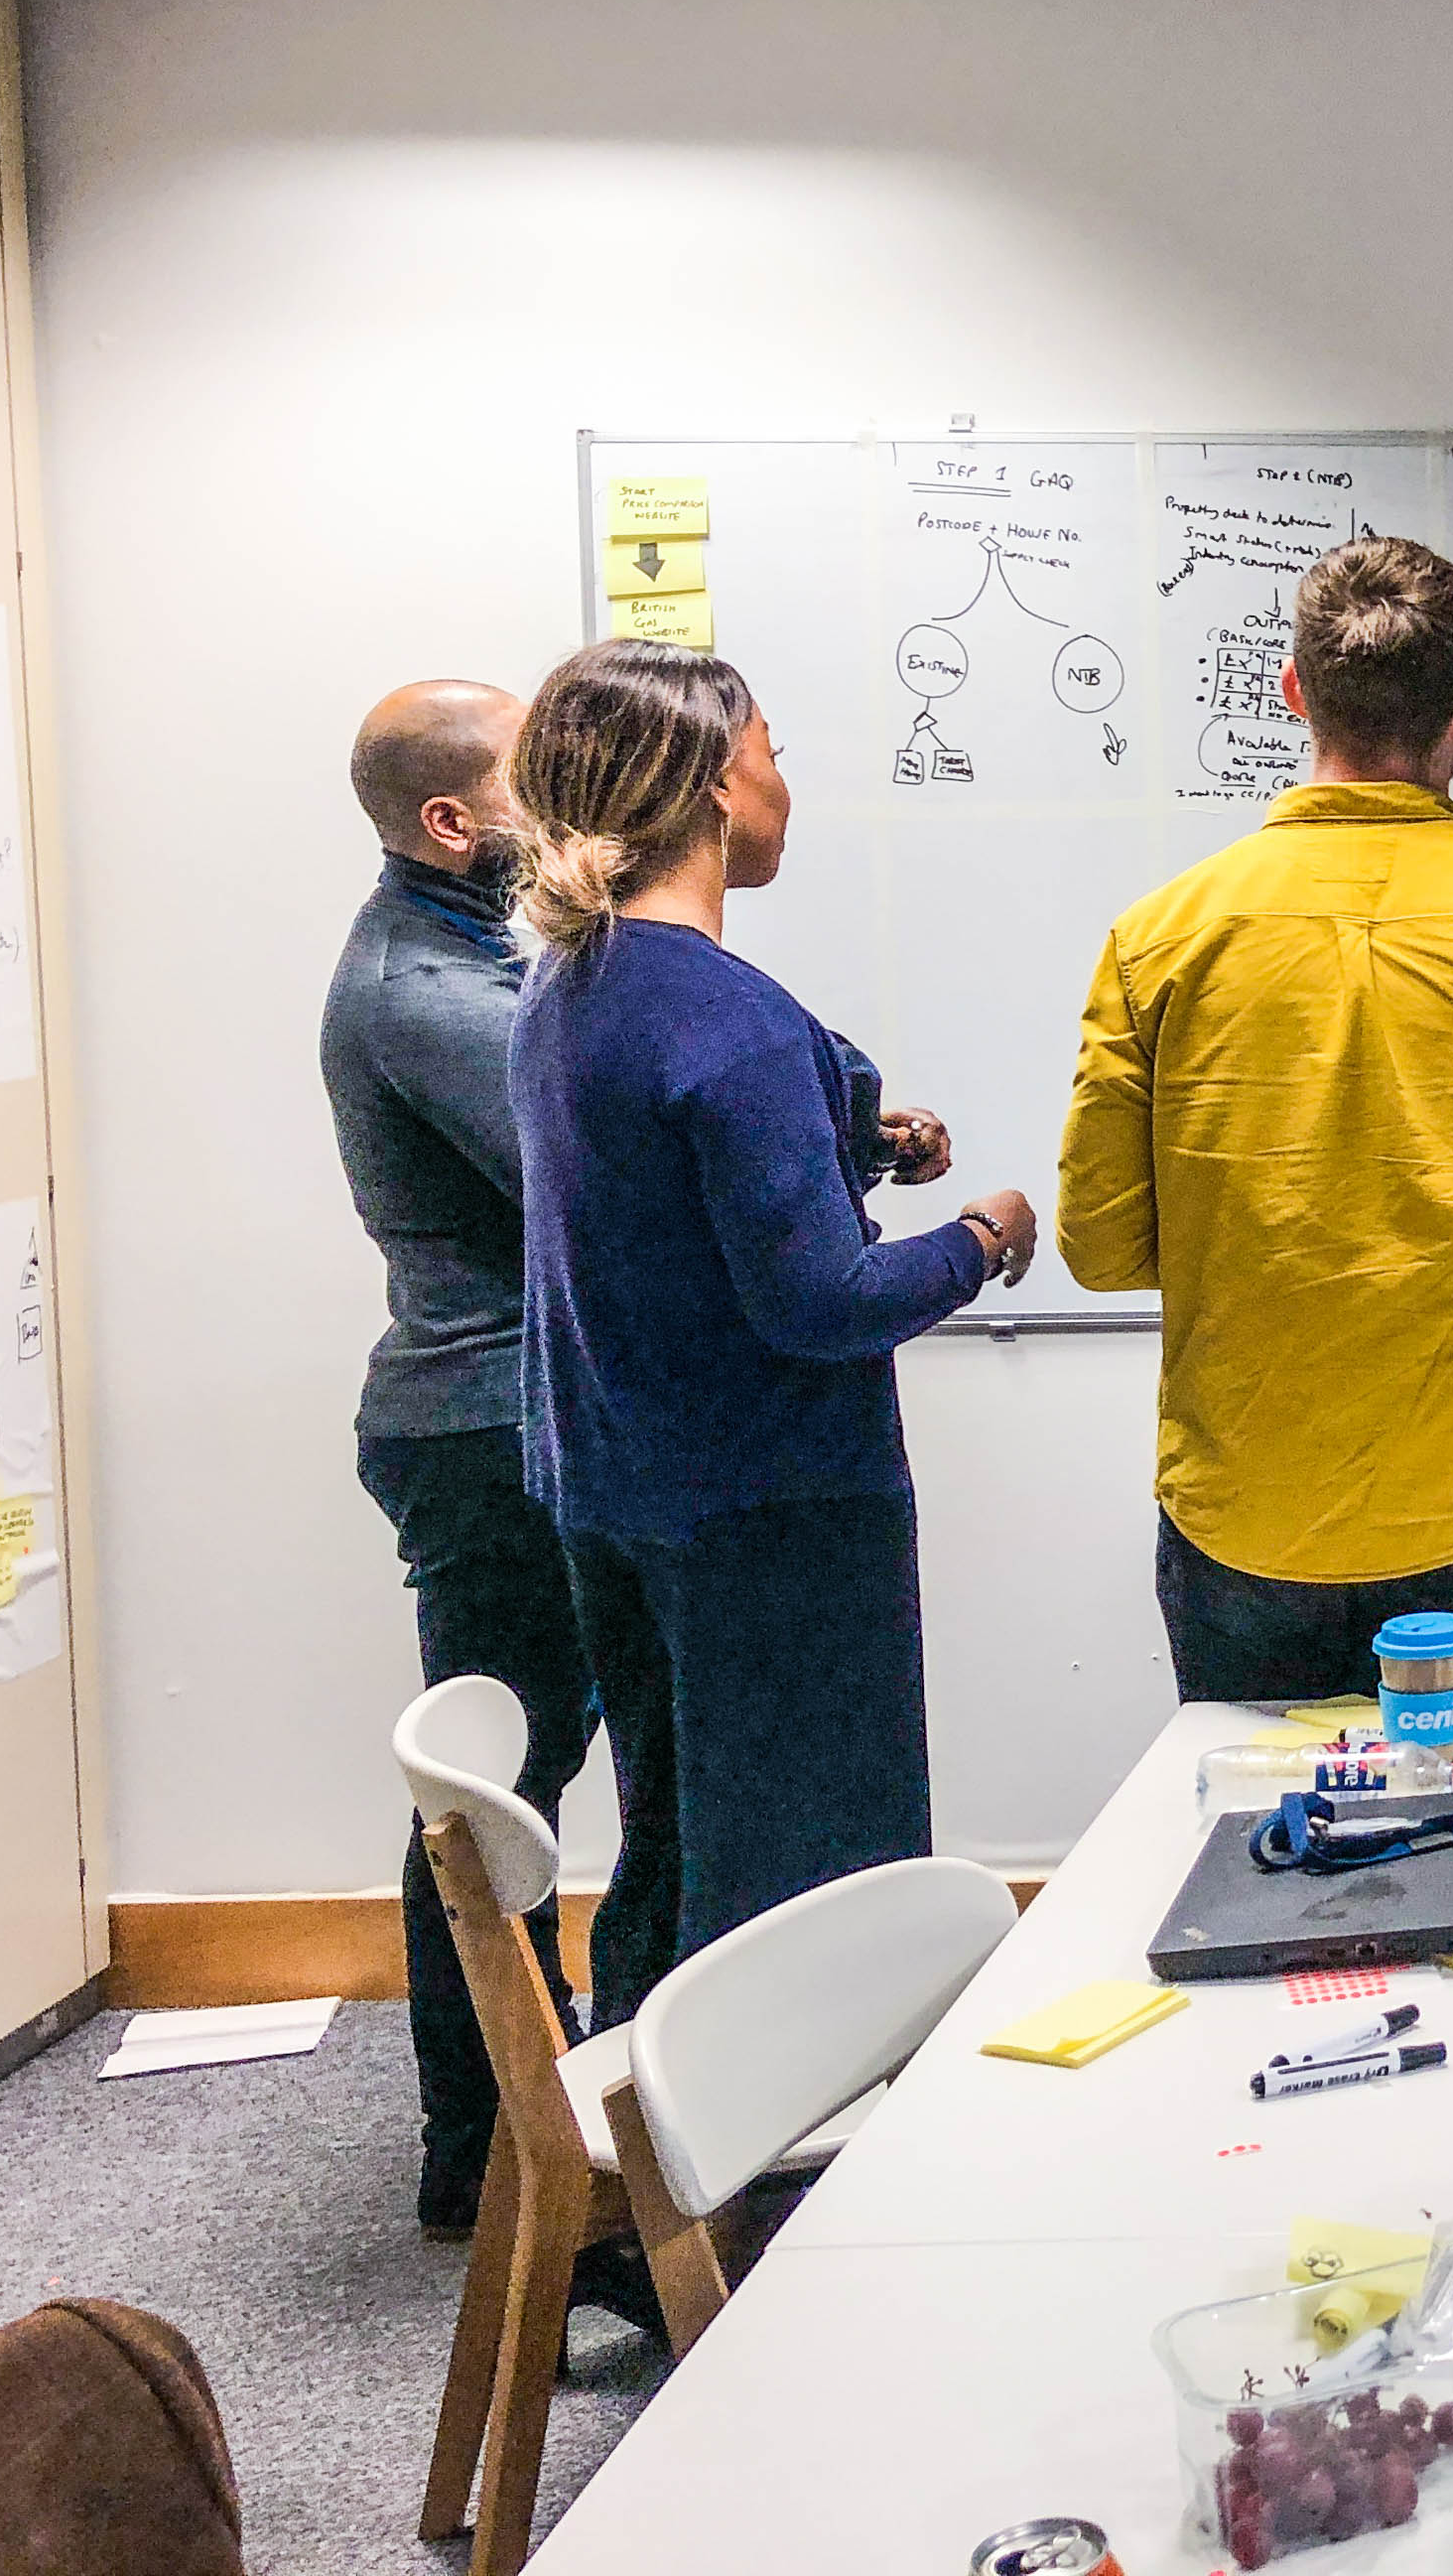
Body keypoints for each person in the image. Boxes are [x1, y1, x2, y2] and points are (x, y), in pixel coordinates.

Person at [1062, 537, 1453, 1702]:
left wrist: (1259, 1226)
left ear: (1295, 692)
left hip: (1246, 1505)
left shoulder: (1159, 938)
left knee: (1252, 1802)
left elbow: (1101, 1249)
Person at [510, 642, 1031, 1973]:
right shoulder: (726, 1017)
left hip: (622, 1492)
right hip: (772, 1512)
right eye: (773, 753)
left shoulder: (567, 988)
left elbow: (664, 1203)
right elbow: (822, 1303)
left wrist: (848, 1147)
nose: (786, 782)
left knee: (681, 1842)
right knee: (811, 1886)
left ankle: (654, 2089)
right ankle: (787, 2112)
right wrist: (982, 1239)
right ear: (713, 783)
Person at [323, 680, 618, 2237]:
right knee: (496, 1798)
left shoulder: (483, 941)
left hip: (516, 1415)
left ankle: (522, 2126)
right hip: (482, 1433)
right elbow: (595, 1158)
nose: (562, 784)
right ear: (450, 822)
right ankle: (487, 2152)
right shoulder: (417, 991)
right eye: (527, 772)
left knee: (527, 1775)